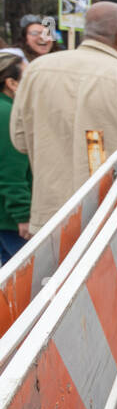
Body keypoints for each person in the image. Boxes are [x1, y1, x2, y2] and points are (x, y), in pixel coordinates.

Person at [9, 2, 117, 235]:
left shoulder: (37, 71)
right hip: (113, 226)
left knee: (56, 273)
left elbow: (19, 141)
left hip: (51, 219)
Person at [0, 55, 32, 262]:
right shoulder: (8, 114)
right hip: (12, 220)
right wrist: (23, 215)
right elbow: (10, 169)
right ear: (12, 83)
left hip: (5, 216)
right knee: (32, 286)